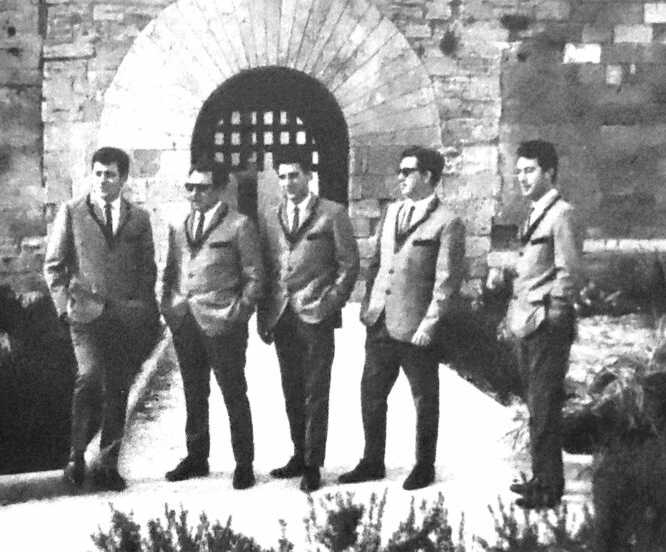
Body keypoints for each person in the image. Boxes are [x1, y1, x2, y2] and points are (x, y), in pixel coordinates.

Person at [339, 146, 465, 490]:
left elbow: (447, 281)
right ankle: (372, 461)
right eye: (399, 171)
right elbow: (377, 263)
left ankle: (424, 465)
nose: (400, 177)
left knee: (424, 398)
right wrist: (369, 304)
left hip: (416, 327)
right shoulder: (392, 212)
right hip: (380, 321)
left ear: (427, 176)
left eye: (407, 171)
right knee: (371, 393)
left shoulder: (448, 222)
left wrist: (429, 324)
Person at [44, 146, 159, 491]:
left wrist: (141, 307)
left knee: (119, 387)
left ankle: (108, 463)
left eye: (110, 174)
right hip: (85, 315)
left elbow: (148, 268)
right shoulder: (72, 212)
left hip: (123, 317)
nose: (103, 180)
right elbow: (54, 265)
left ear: (123, 178)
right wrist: (63, 307)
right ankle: (76, 455)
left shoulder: (139, 218)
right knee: (90, 376)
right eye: (98, 173)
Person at [257, 150, 359, 492]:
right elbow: (268, 266)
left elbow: (349, 265)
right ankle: (299, 454)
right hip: (282, 314)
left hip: (316, 314)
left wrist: (331, 302)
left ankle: (313, 465)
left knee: (316, 391)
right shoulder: (271, 215)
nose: (288, 183)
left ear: (308, 176)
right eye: (283, 177)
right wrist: (264, 315)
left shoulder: (332, 213)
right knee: (291, 389)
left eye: (294, 176)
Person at [161, 157, 263, 490]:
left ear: (219, 189)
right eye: (189, 187)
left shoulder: (239, 225)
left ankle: (244, 462)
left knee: (233, 391)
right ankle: (196, 457)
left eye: (201, 188)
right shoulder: (180, 226)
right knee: (194, 391)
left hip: (224, 322)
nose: (194, 194)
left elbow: (254, 276)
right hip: (185, 320)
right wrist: (169, 308)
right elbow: (171, 271)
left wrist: (239, 313)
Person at [503, 140, 583, 509]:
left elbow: (569, 272)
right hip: (527, 321)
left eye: (529, 170)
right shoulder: (536, 211)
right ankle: (540, 476)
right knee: (537, 406)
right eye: (518, 171)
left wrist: (553, 316)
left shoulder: (561, 214)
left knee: (546, 406)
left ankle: (549, 489)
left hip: (546, 325)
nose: (522, 177)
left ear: (549, 172)